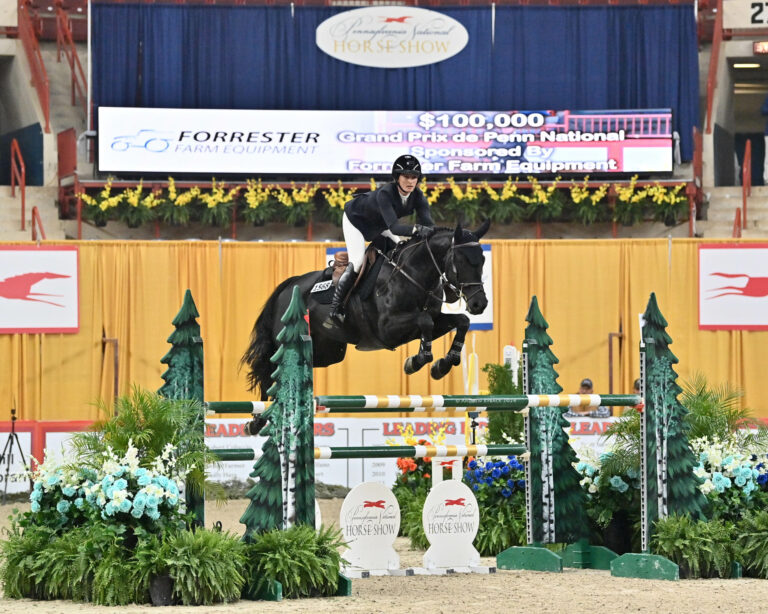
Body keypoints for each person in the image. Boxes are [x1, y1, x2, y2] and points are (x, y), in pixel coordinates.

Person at [323, 154, 435, 328]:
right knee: (358, 262)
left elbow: (428, 224)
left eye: (414, 177)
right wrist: (417, 230)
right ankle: (336, 310)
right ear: (397, 177)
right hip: (356, 221)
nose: (410, 181)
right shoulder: (386, 193)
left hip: (379, 224)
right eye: (406, 176)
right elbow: (396, 228)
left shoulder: (418, 196)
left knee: (400, 251)